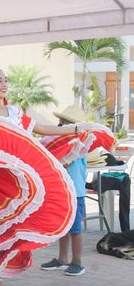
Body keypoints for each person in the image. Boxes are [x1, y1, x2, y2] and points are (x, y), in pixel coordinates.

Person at [0, 68, 98, 286]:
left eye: (5, 80)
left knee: (17, 225)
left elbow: (42, 129)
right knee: (8, 224)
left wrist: (77, 129)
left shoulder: (14, 113)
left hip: (18, 177)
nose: (4, 84)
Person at [40, 110, 90, 277]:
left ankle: (77, 262)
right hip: (64, 191)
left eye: (64, 124)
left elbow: (65, 162)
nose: (60, 127)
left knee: (75, 229)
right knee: (64, 227)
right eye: (60, 124)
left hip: (75, 193)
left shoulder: (79, 144)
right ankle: (62, 259)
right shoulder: (65, 143)